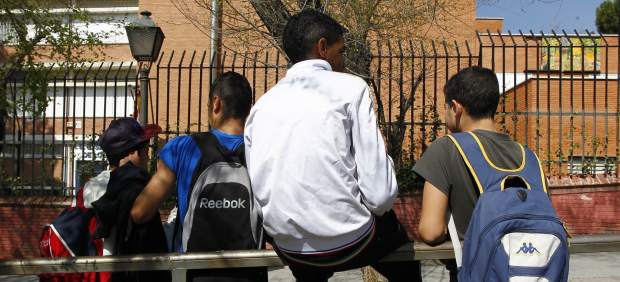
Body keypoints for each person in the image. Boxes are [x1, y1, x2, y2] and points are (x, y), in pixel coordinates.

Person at [244, 9, 421, 281]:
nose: (344, 61)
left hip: (290, 247)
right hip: (351, 242)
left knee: (311, 263)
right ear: (323, 47)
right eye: (342, 52)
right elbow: (380, 194)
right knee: (404, 256)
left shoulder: (261, 107)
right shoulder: (352, 89)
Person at [414, 66, 550, 280]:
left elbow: (431, 231)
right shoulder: (529, 157)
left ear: (456, 107)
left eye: (445, 107)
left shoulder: (446, 148)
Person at [130, 72, 267, 282]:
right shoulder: (262, 150)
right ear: (248, 109)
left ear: (216, 103)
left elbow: (140, 212)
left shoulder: (181, 148)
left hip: (195, 272)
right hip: (249, 271)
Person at [91, 117, 170, 282]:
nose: (148, 157)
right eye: (146, 150)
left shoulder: (95, 187)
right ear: (133, 153)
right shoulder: (135, 184)